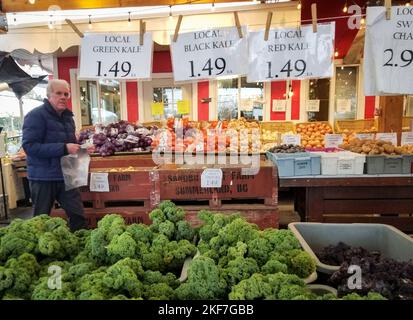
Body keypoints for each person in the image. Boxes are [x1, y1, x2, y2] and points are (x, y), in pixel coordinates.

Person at [22, 79, 93, 231]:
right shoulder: (35, 116)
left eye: (66, 94)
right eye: (58, 93)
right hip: (43, 178)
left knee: (78, 216)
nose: (63, 97)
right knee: (40, 221)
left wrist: (81, 149)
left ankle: (78, 249)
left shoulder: (68, 118)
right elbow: (30, 147)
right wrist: (64, 148)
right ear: (49, 95)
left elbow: (69, 147)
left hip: (67, 175)